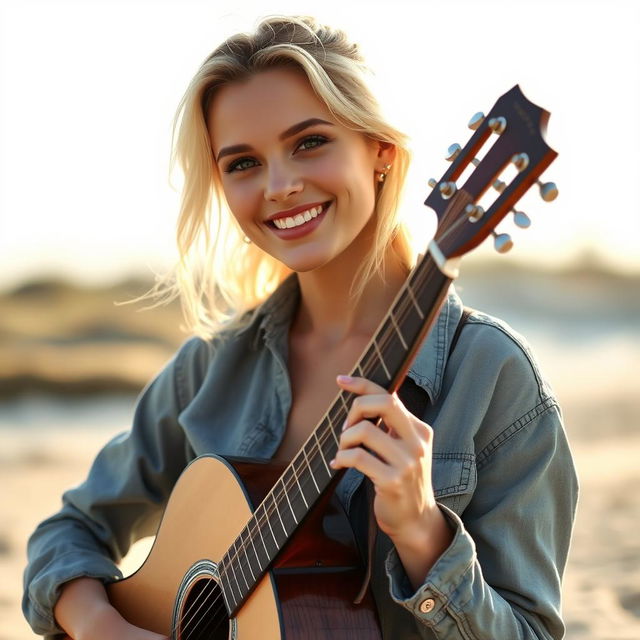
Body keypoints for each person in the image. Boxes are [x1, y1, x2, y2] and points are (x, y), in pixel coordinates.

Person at [22, 15, 578, 640]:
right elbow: (69, 530)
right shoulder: (210, 369)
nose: (280, 187)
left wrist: (423, 531)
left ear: (380, 152)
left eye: (310, 142)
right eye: (242, 163)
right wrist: (103, 628)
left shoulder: (492, 378)